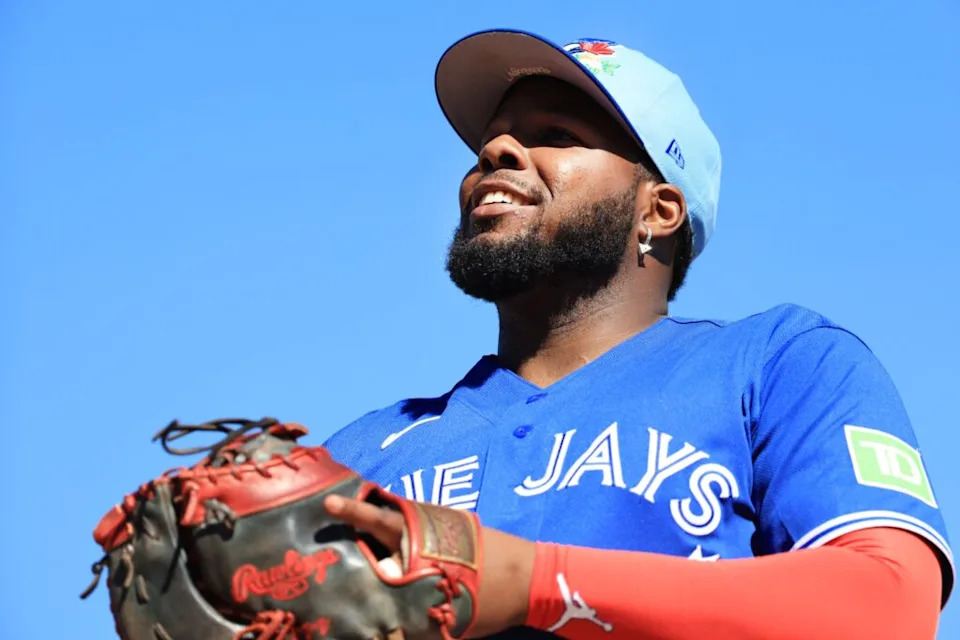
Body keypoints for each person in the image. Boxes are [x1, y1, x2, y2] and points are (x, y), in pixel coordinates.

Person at [320, 29, 953, 638]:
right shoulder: (355, 457)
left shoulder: (778, 364)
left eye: (556, 135)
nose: (497, 152)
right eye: (490, 142)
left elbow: (888, 603)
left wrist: (533, 584)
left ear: (659, 210)